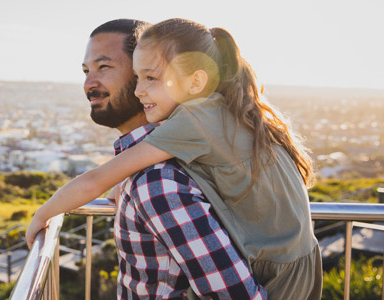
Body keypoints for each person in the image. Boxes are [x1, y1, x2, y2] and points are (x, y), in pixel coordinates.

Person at [29, 18, 323, 299]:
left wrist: (43, 215)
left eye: (150, 77)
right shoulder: (225, 113)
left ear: (194, 82)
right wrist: (124, 184)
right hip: (300, 264)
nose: (139, 89)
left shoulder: (164, 170)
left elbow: (96, 179)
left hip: (278, 274)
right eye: (85, 71)